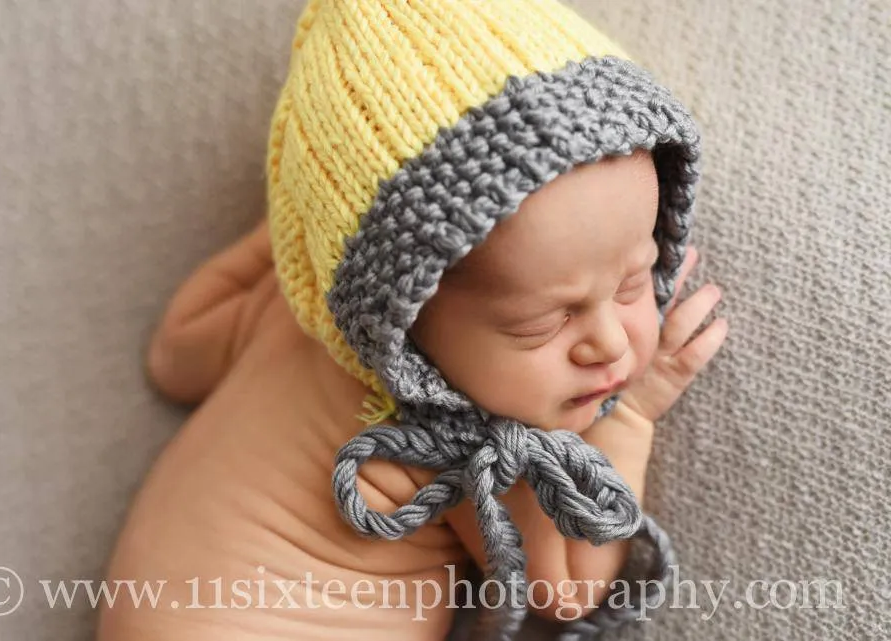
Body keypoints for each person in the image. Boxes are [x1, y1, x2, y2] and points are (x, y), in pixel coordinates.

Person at [96, 1, 728, 640]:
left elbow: (174, 357)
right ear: (410, 315)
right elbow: (565, 589)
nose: (611, 342)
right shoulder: (445, 432)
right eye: (541, 324)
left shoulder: (276, 312)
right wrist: (629, 416)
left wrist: (297, 235)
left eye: (632, 281)